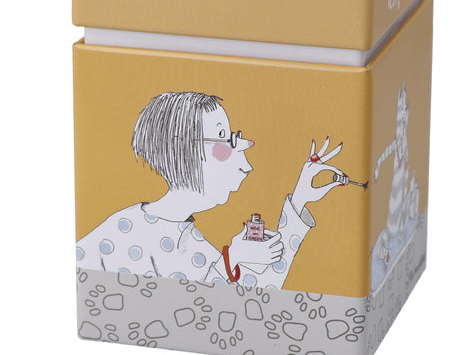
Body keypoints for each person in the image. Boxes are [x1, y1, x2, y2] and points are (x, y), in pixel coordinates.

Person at [76, 91, 344, 289]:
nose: (243, 148)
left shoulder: (189, 239)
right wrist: (232, 260)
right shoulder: (125, 234)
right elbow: (180, 319)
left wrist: (299, 200)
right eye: (225, 138)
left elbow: (255, 300)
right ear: (184, 150)